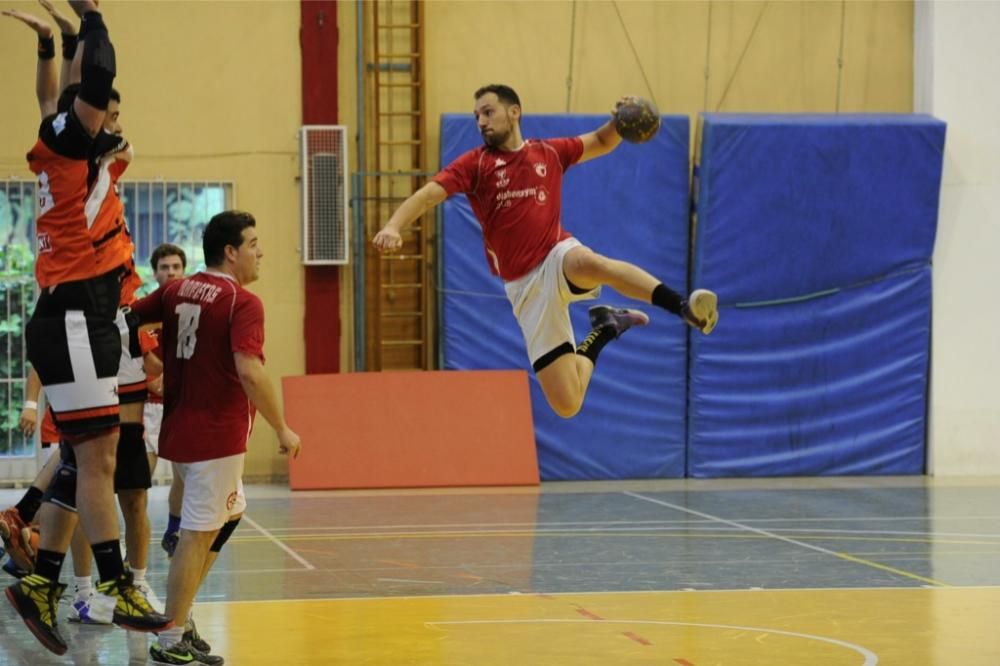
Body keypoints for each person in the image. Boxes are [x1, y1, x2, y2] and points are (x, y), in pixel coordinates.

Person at [374, 84, 719, 418]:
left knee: (592, 262)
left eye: (488, 112)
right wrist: (393, 225)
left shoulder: (548, 152)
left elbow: (600, 141)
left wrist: (618, 122)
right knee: (568, 404)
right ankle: (606, 328)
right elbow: (428, 195)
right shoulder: (475, 165)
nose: (481, 121)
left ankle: (682, 305)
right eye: (476, 115)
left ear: (514, 112)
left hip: (557, 255)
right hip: (525, 289)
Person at [4, 2, 170, 656]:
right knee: (97, 461)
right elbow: (93, 79)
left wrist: (58, 40)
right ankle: (108, 580)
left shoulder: (59, 138)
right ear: (90, 115)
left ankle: (43, 579)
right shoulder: (73, 140)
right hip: (76, 315)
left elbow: (65, 89)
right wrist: (93, 21)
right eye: (108, 111)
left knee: (84, 458)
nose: (111, 116)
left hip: (77, 313)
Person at [130, 210, 301, 666]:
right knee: (197, 534)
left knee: (227, 518)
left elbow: (130, 317)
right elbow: (250, 369)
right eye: (253, 243)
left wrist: (144, 363)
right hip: (215, 439)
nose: (260, 251)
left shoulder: (176, 289)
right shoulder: (242, 302)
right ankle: (171, 635)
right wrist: (282, 426)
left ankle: (179, 618)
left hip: (180, 431)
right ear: (230, 252)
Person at [142, 243, 188, 559]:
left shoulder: (191, 310)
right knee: (140, 480)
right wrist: (152, 378)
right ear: (154, 271)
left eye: (175, 267)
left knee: (183, 476)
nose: (170, 272)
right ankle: (134, 535)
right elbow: (134, 352)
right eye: (164, 267)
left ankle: (174, 530)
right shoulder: (144, 309)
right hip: (147, 408)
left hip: (180, 405)